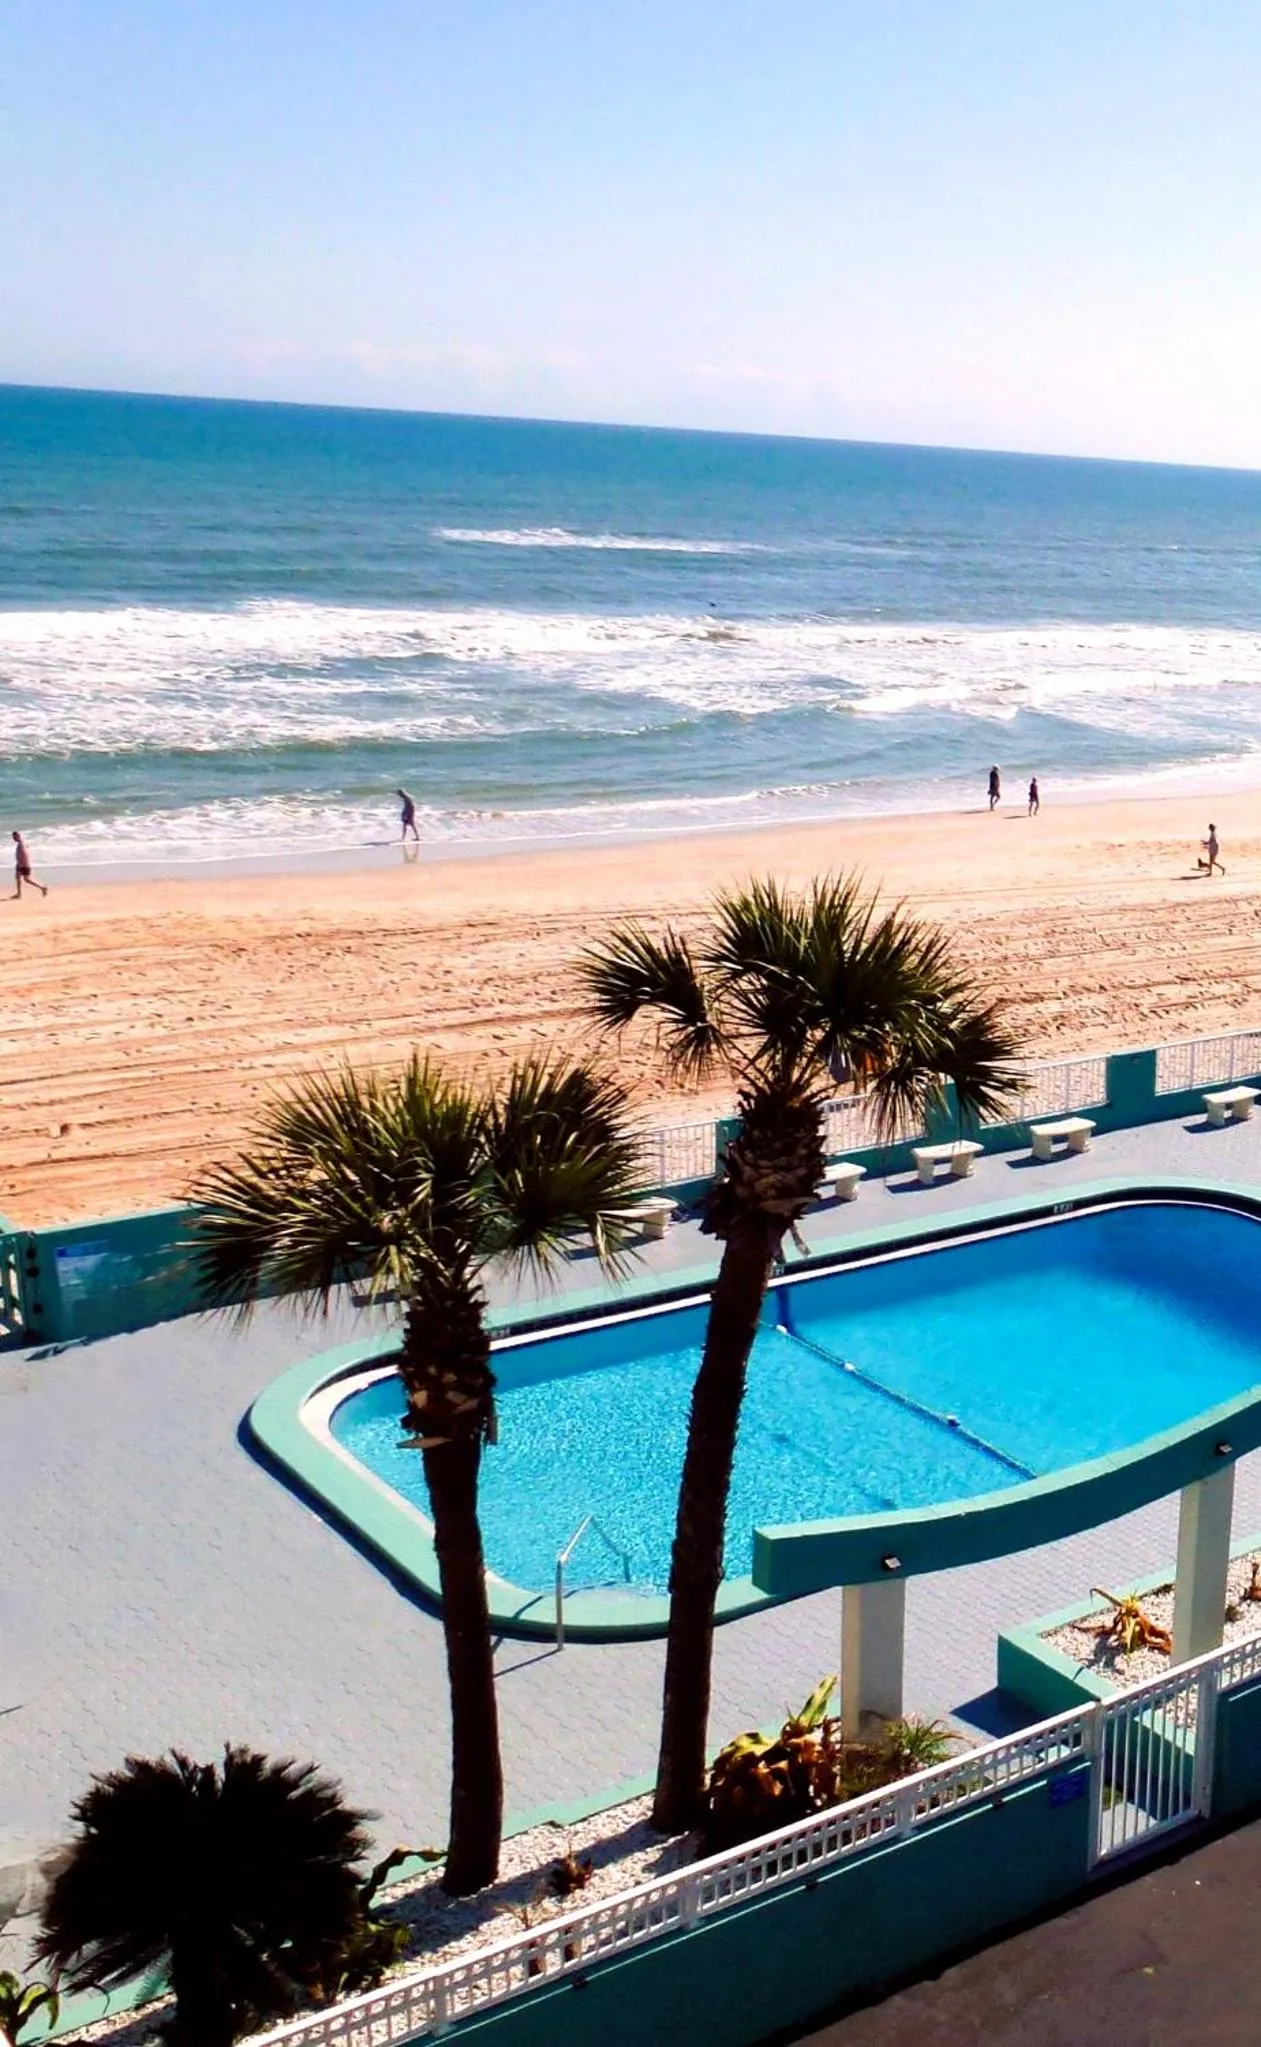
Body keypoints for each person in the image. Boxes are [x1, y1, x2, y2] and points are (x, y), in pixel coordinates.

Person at [12, 830, 48, 898]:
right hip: (23, 864)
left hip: (22, 865)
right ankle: (19, 894)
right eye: (13, 838)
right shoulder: (23, 843)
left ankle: (42, 887)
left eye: (14, 837)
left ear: (17, 836)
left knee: (25, 879)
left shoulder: (21, 844)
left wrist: (21, 864)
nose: (14, 839)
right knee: (21, 878)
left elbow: (24, 855)